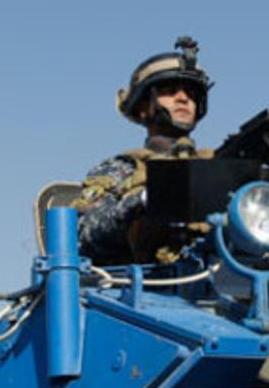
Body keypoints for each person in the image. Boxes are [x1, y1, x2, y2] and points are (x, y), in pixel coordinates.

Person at [72, 36, 214, 266]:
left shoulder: (213, 169)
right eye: (169, 91)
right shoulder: (120, 169)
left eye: (191, 93)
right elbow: (87, 235)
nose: (183, 98)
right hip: (137, 291)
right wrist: (147, 198)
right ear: (143, 108)